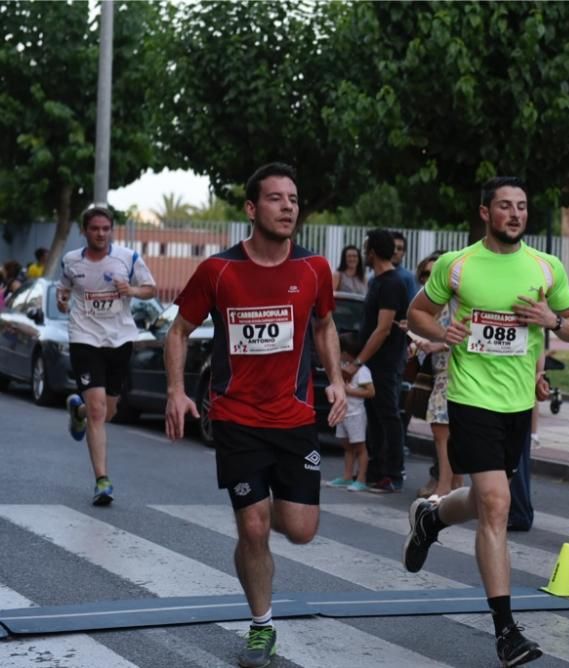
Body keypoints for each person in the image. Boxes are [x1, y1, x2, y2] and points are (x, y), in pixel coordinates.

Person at [163, 162, 348, 668]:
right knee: (254, 526)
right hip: (237, 418)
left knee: (301, 529)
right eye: (276, 198)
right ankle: (262, 625)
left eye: (293, 198)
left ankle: (258, 555)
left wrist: (334, 379)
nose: (288, 206)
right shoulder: (219, 272)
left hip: (294, 418)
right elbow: (177, 332)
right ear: (251, 208)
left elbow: (325, 326)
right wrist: (177, 392)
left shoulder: (314, 270)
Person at [404, 176, 569, 667]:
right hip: (470, 398)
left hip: (516, 406)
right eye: (505, 206)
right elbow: (416, 313)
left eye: (522, 207)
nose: (515, 214)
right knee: (497, 504)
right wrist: (444, 331)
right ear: (484, 212)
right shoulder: (457, 265)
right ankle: (506, 631)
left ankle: (431, 516)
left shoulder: (545, 268)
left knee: (487, 501)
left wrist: (551, 321)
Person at [57, 206, 157, 506]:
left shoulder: (128, 258)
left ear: (111, 230)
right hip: (84, 338)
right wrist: (62, 302)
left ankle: (79, 412)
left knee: (107, 411)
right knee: (99, 410)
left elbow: (151, 289)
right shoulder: (72, 261)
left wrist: (132, 290)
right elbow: (63, 291)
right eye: (95, 229)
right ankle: (102, 480)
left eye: (105, 229)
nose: (100, 234)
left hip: (120, 338)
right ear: (85, 231)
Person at [350, 228, 409, 493]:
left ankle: (393, 473)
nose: (364, 253)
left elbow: (383, 328)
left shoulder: (393, 283)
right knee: (373, 416)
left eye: (366, 249)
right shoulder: (376, 281)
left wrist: (359, 360)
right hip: (373, 362)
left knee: (388, 416)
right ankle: (375, 469)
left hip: (385, 361)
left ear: (372, 252)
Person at [412, 251, 463, 501]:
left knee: (443, 433)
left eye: (435, 274)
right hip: (440, 372)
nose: (430, 279)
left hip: (452, 372)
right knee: (441, 432)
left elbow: (464, 337)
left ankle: (445, 487)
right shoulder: (431, 306)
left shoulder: (456, 303)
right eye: (426, 274)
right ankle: (451, 485)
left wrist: (438, 344)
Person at [326, 332, 373, 492]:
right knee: (347, 446)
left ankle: (361, 478)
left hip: (356, 414)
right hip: (344, 412)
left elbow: (370, 392)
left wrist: (349, 391)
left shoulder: (362, 371)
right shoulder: (341, 368)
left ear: (347, 352)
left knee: (359, 447)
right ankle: (347, 476)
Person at [391, 231, 420, 302]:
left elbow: (413, 304)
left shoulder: (409, 278)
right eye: (392, 247)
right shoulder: (373, 276)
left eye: (399, 249)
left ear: (404, 253)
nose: (395, 251)